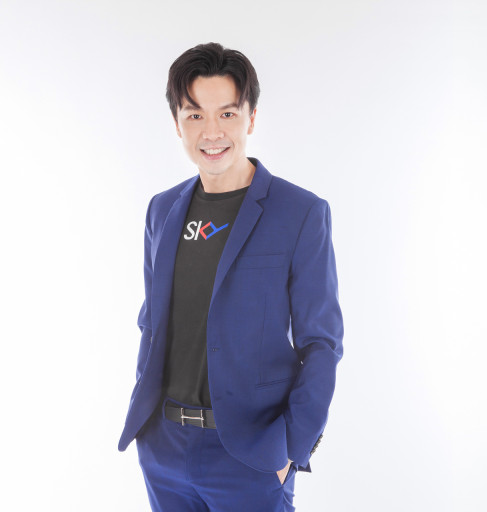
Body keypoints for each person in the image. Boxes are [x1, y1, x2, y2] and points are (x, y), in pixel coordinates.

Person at [118, 42, 344, 511]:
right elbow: (152, 323)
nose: (212, 132)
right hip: (164, 450)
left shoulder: (300, 213)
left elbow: (321, 344)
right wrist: (147, 431)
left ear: (251, 118)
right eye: (195, 115)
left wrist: (290, 450)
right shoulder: (162, 210)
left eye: (227, 113)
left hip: (252, 457)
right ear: (177, 123)